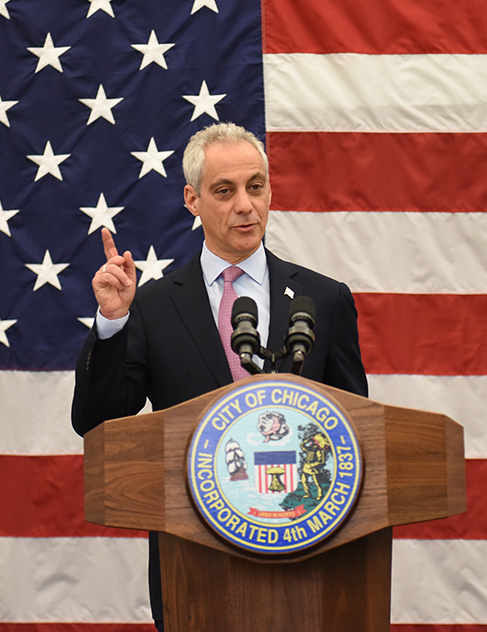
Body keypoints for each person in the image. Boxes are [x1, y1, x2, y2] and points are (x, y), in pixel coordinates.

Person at [71, 122, 367, 630]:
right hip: (195, 556)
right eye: (225, 192)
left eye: (256, 186)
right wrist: (114, 320)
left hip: (307, 548)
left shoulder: (325, 299)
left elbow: (355, 430)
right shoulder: (154, 306)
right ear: (192, 199)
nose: (245, 205)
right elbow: (96, 421)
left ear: (270, 190)